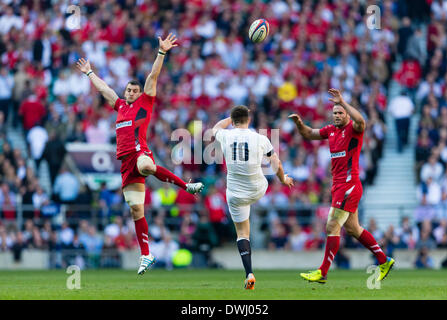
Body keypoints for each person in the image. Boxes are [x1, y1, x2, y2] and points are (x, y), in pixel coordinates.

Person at [76, 33, 204, 275]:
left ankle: (186, 186)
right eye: (129, 90)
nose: (131, 93)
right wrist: (90, 73)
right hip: (125, 163)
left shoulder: (145, 101)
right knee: (136, 210)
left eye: (134, 90)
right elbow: (106, 90)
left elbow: (153, 76)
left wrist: (161, 53)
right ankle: (146, 254)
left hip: (140, 152)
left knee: (146, 165)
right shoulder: (121, 106)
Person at [289, 88, 395, 284]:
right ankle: (384, 260)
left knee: (332, 225)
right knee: (354, 229)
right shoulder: (330, 131)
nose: (337, 116)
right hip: (338, 186)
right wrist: (298, 123)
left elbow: (362, 121)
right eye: (335, 113)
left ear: (346, 113)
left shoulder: (354, 130)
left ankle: (323, 272)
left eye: (340, 113)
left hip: (349, 184)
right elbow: (309, 134)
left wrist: (344, 102)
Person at [212, 105, 294, 290]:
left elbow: (216, 127)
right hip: (258, 189)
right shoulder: (260, 138)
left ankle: (249, 272)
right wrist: (283, 179)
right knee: (261, 174)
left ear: (233, 122)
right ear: (249, 120)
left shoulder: (225, 135)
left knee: (242, 233)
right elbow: (276, 162)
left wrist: (229, 117)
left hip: (235, 194)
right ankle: (268, 219)